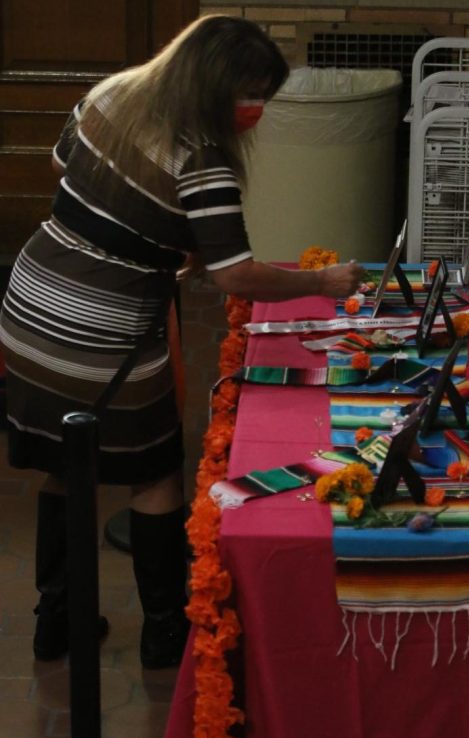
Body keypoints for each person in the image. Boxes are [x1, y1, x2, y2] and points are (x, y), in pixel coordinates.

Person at [0, 15, 365, 668]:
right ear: (216, 87)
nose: (256, 110)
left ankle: (56, 621)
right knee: (154, 472)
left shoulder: (114, 93)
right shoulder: (202, 158)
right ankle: (166, 631)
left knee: (64, 460)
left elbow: (64, 165)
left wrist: (153, 236)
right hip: (102, 328)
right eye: (252, 95)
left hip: (31, 304)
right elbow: (235, 275)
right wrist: (322, 280)